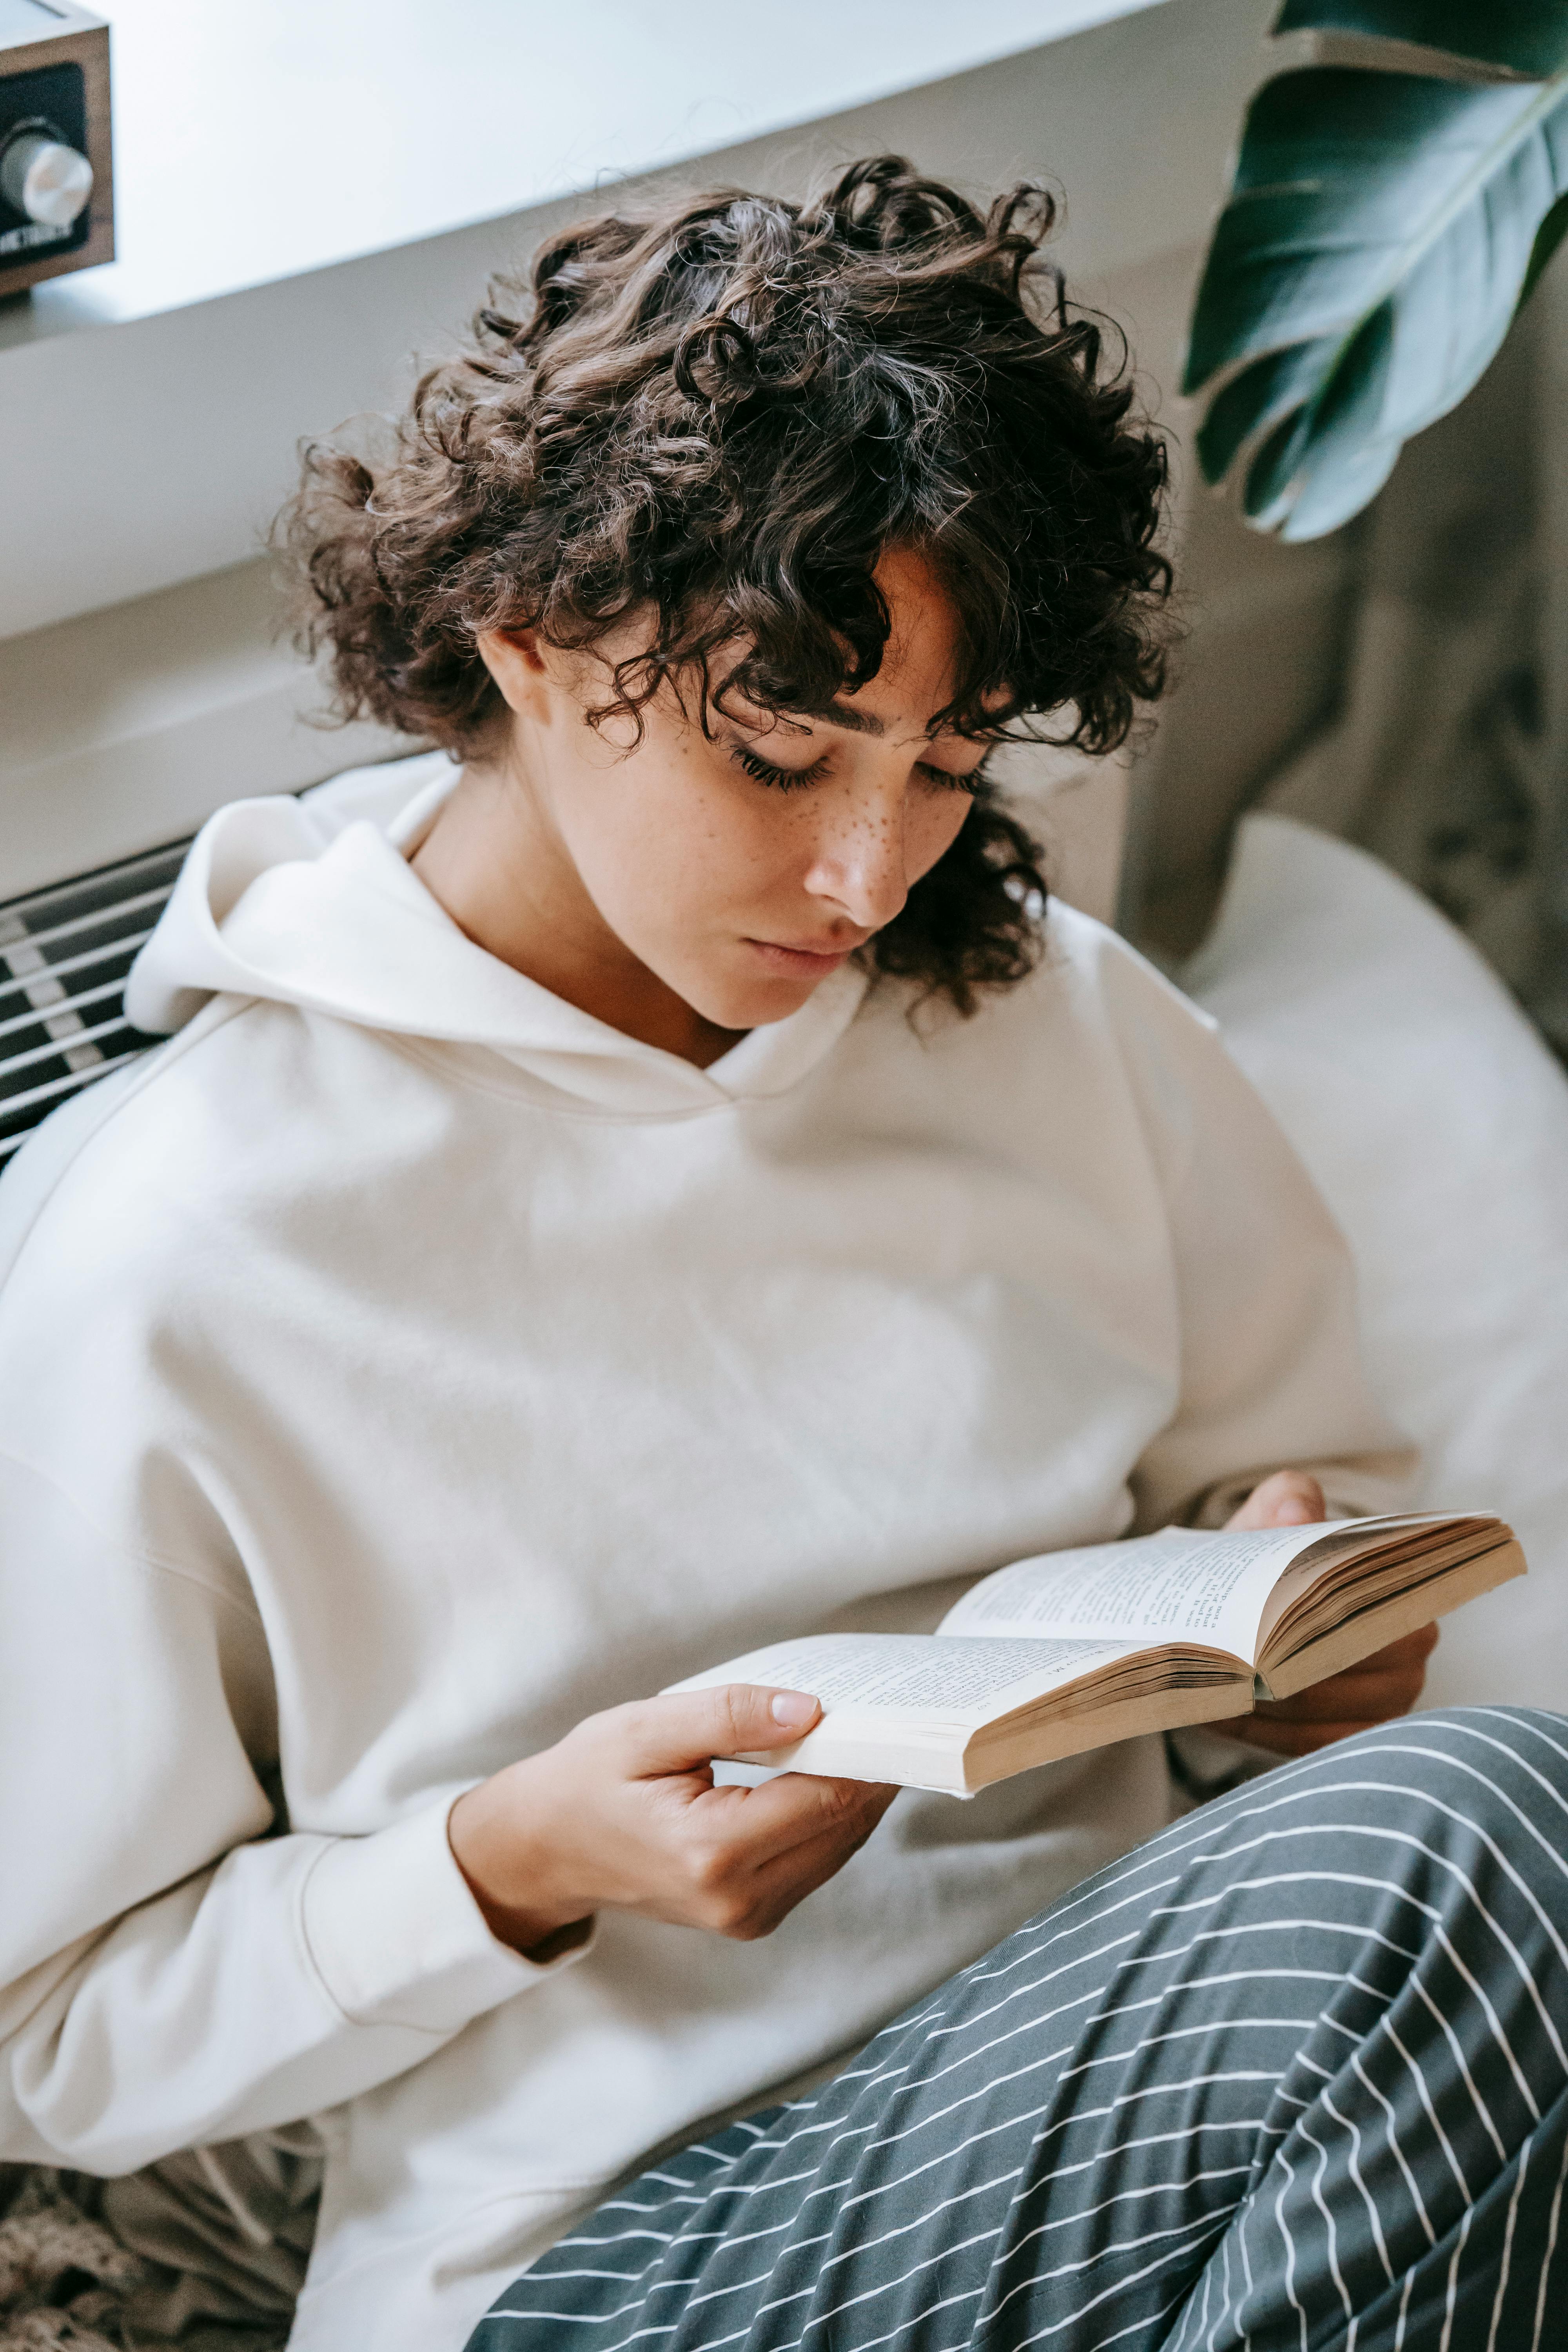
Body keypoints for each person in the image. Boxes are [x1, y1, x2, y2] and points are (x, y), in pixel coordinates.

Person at [0, 158, 1560, 2352]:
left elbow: (1290, 1489)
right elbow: (46, 2030)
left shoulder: (1056, 1018)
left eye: (941, 761)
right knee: (1483, 1827)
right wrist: (505, 1869)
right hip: (597, 2258)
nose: (865, 865)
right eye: (777, 745)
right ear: (527, 642)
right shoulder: (167, 1249)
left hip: (1156, 2140)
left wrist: (1287, 1662)